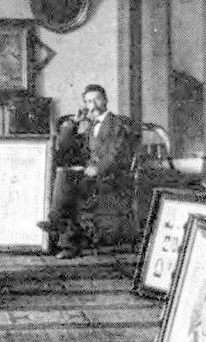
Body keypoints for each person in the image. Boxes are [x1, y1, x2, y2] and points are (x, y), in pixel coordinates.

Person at [38, 84, 135, 259]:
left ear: (105, 99)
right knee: (63, 174)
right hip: (92, 177)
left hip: (112, 177)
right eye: (89, 101)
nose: (94, 105)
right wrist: (74, 123)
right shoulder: (90, 127)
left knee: (66, 183)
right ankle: (63, 233)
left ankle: (60, 230)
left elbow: (116, 153)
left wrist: (97, 169)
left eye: (97, 99)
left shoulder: (117, 123)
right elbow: (67, 147)